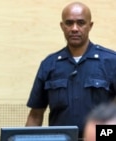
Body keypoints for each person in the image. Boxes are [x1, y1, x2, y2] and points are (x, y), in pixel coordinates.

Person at [25, 1, 116, 139]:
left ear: (90, 26)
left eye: (80, 23)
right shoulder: (49, 65)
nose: (74, 28)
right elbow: (35, 115)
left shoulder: (111, 61)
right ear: (62, 26)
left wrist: (98, 136)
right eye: (69, 23)